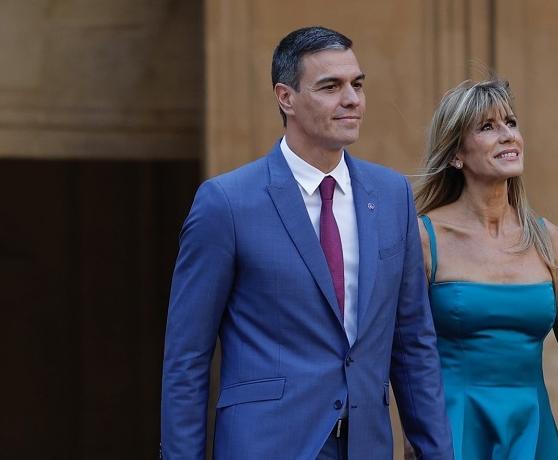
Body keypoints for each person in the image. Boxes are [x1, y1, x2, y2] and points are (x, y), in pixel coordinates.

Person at [160, 26, 454, 460]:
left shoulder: (392, 197)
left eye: (357, 84)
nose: (352, 99)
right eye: (330, 86)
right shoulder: (226, 203)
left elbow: (413, 346)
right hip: (265, 445)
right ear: (286, 98)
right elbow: (187, 358)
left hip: (366, 445)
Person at [412, 79, 558, 459]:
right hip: (454, 425)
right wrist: (414, 438)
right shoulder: (425, 237)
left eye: (510, 123)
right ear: (455, 155)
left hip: (532, 426)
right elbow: (403, 350)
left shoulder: (547, 238)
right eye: (487, 127)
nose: (506, 136)